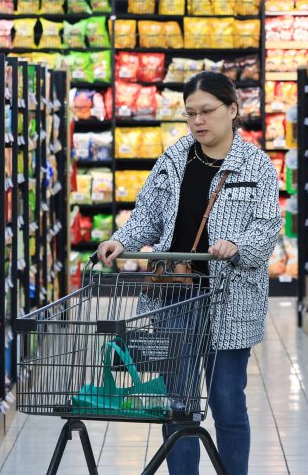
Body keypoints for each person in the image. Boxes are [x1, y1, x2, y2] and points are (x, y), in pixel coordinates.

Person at [96, 71, 282, 475]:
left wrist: (239, 247)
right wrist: (121, 240)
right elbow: (146, 213)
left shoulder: (256, 165)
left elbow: (268, 225)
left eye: (207, 111)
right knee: (177, 403)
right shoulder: (173, 157)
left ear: (232, 110)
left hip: (230, 300)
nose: (198, 121)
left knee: (227, 402)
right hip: (173, 297)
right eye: (190, 113)